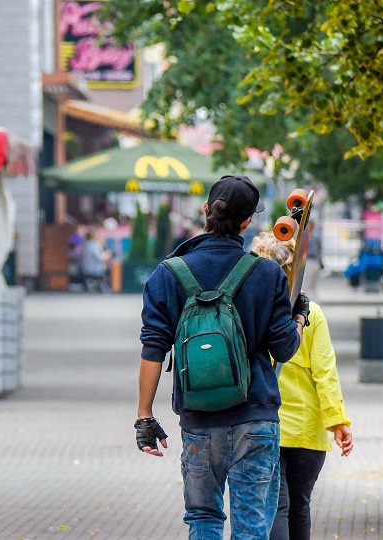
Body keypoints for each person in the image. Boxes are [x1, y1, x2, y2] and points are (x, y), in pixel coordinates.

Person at [136, 175, 307, 538]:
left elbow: (153, 346)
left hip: (199, 419)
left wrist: (144, 417)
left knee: (203, 517)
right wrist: (299, 317)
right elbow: (285, 349)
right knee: (250, 527)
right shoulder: (266, 274)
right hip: (254, 418)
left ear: (205, 211)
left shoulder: (168, 273)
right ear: (247, 222)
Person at [250, 231, 353, 540]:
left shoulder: (252, 310)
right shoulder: (311, 314)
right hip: (307, 432)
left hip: (265, 424)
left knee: (276, 507)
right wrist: (338, 422)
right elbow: (325, 373)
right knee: (300, 507)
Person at [81, 228, 109, 293]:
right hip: (95, 269)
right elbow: (99, 257)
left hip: (85, 268)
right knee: (107, 271)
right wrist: (107, 255)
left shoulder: (85, 244)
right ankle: (102, 287)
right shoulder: (94, 245)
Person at [304, 220, 323, 297]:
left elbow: (312, 251)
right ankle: (315, 303)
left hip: (310, 261)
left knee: (306, 285)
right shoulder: (317, 236)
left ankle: (308, 305)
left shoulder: (309, 237)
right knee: (313, 286)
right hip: (316, 262)